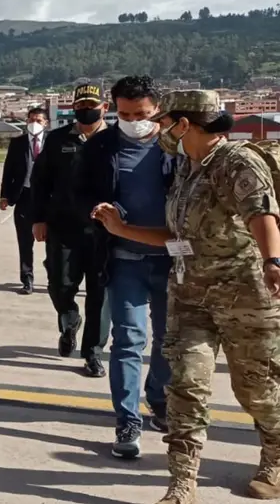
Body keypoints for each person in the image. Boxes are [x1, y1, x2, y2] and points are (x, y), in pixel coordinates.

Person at [92, 89, 280, 503]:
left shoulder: (237, 161)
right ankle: (182, 483)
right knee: (186, 388)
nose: (156, 130)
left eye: (163, 122)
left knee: (257, 390)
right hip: (191, 296)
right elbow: (178, 236)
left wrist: (273, 262)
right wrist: (122, 231)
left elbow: (261, 213)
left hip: (245, 297)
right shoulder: (187, 168)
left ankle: (275, 454)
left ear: (183, 124)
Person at [77, 75, 175, 459]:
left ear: (157, 110)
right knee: (129, 340)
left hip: (172, 260)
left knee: (169, 340)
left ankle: (159, 398)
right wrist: (99, 210)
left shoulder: (176, 146)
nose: (133, 119)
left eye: (142, 113)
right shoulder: (101, 146)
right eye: (124, 113)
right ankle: (127, 418)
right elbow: (80, 192)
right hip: (123, 259)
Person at [31, 81, 111, 378]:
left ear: (105, 108)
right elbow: (40, 181)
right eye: (80, 107)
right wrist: (38, 219)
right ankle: (69, 319)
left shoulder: (113, 140)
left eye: (92, 106)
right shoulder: (57, 140)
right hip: (63, 227)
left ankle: (93, 352)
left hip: (104, 230)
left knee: (100, 295)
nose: (86, 111)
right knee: (60, 285)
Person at [0, 106, 49, 294]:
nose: (34, 123)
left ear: (46, 123)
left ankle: (54, 276)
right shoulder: (18, 143)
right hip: (24, 196)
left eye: (38, 120)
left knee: (53, 241)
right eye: (31, 120)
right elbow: (8, 170)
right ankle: (27, 279)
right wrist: (4, 195)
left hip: (48, 197)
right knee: (24, 241)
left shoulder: (53, 141)